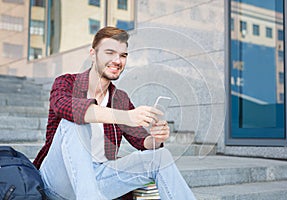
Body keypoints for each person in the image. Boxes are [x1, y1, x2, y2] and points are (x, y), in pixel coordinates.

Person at [34, 26, 196, 200]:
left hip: (99, 177)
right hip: (58, 181)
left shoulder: (120, 99)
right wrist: (126, 116)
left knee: (160, 156)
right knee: (74, 119)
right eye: (110, 53)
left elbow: (141, 141)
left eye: (123, 55)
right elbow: (65, 106)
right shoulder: (66, 82)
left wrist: (155, 139)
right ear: (93, 54)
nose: (117, 60)